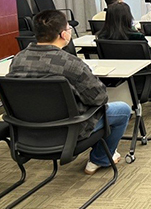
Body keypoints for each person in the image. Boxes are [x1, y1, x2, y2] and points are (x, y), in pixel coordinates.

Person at [7, 10, 131, 175]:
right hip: (68, 131)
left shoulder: (18, 60)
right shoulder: (71, 64)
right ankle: (100, 158)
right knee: (122, 109)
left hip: (27, 132)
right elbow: (100, 98)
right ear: (64, 34)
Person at [96, 2, 151, 109]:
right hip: (142, 79)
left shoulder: (101, 37)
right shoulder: (136, 37)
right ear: (128, 17)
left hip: (116, 79)